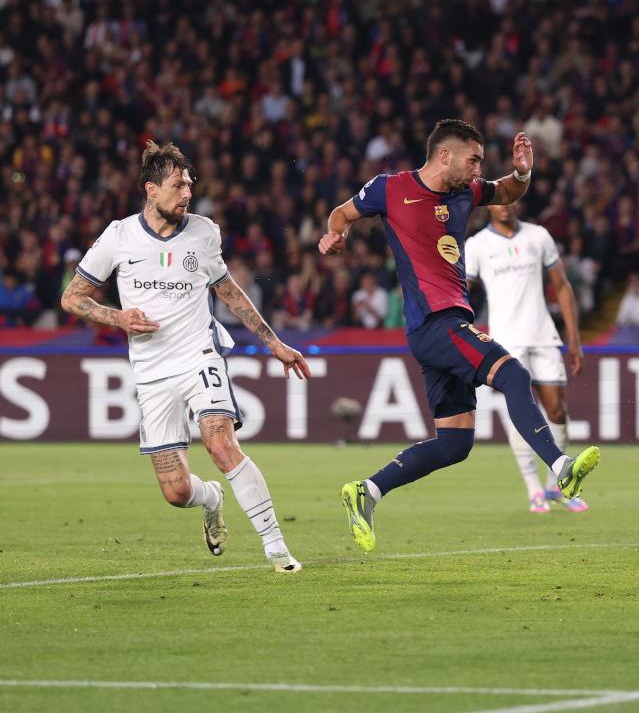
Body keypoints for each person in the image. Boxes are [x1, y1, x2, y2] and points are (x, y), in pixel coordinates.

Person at [321, 120, 600, 552]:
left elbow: (507, 191)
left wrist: (523, 172)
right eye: (474, 160)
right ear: (445, 155)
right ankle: (561, 467)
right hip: (436, 323)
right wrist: (336, 235)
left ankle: (367, 492)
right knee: (514, 375)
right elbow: (342, 212)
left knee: (454, 443)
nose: (478, 170)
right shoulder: (390, 188)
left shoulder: (465, 192)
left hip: (444, 325)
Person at [60, 142, 310, 573]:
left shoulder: (204, 232)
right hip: (152, 372)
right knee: (176, 492)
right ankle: (211, 498)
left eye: (190, 184)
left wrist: (274, 344)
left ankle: (277, 548)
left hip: (200, 355)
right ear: (151, 189)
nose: (187, 193)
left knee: (220, 443)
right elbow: (71, 297)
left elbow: (227, 291)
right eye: (178, 185)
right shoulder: (118, 236)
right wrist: (118, 317)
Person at [465, 202, 588, 514]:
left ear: (520, 200)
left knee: (557, 411)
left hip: (543, 335)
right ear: (488, 205)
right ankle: (534, 489)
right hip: (506, 342)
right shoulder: (477, 245)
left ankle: (555, 487)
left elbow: (562, 286)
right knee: (520, 414)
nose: (505, 207)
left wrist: (574, 339)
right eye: (498, 201)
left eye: (511, 200)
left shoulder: (538, 236)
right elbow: (461, 295)